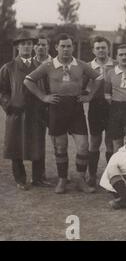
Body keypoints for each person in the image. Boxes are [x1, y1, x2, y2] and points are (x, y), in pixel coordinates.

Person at [24, 33, 103, 194]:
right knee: (60, 147)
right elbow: (28, 80)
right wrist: (43, 96)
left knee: (83, 146)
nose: (66, 49)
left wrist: (89, 94)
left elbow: (99, 78)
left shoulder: (81, 65)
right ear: (56, 47)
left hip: (76, 108)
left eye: (68, 46)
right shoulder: (48, 65)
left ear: (73, 47)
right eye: (63, 46)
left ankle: (80, 179)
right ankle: (62, 179)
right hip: (57, 108)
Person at [0, 31, 49, 189]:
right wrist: (9, 105)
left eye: (29, 44)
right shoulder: (8, 68)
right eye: (23, 44)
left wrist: (44, 107)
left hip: (36, 113)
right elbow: (2, 91)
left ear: (33, 46)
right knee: (16, 145)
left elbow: (46, 89)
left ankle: (38, 178)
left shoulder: (41, 68)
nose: (26, 47)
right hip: (17, 113)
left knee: (38, 144)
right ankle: (20, 179)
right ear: (17, 47)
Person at [86, 36, 116, 187]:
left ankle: (110, 176)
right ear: (93, 50)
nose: (101, 50)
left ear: (108, 49)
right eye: (97, 48)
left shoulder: (117, 65)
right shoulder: (87, 66)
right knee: (95, 142)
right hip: (95, 107)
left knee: (110, 143)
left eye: (103, 47)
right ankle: (92, 175)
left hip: (112, 107)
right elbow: (82, 85)